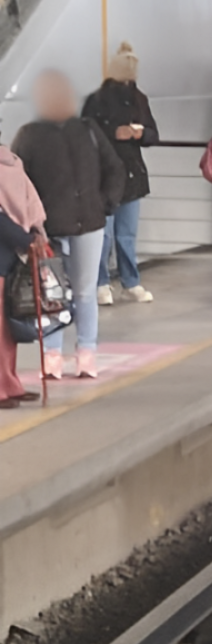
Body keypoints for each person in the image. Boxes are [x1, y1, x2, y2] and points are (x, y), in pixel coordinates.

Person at [12, 71, 125, 379]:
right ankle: (52, 355)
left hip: (89, 222)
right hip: (48, 228)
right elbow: (17, 183)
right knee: (52, 293)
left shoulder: (88, 130)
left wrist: (105, 202)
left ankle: (86, 352)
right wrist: (31, 222)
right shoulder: (29, 135)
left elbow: (114, 168)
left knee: (86, 291)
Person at [82, 41, 157, 306]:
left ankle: (130, 282)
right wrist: (114, 134)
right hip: (105, 175)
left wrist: (139, 133)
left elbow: (153, 135)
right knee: (104, 234)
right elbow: (86, 134)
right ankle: (101, 282)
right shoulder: (97, 100)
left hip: (132, 174)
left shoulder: (140, 99)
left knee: (126, 234)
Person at [0, 142, 49, 406]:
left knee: (6, 324)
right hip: (13, 247)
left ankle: (8, 383)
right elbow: (30, 203)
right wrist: (29, 237)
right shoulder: (12, 161)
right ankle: (5, 385)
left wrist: (28, 238)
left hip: (10, 250)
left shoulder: (12, 161)